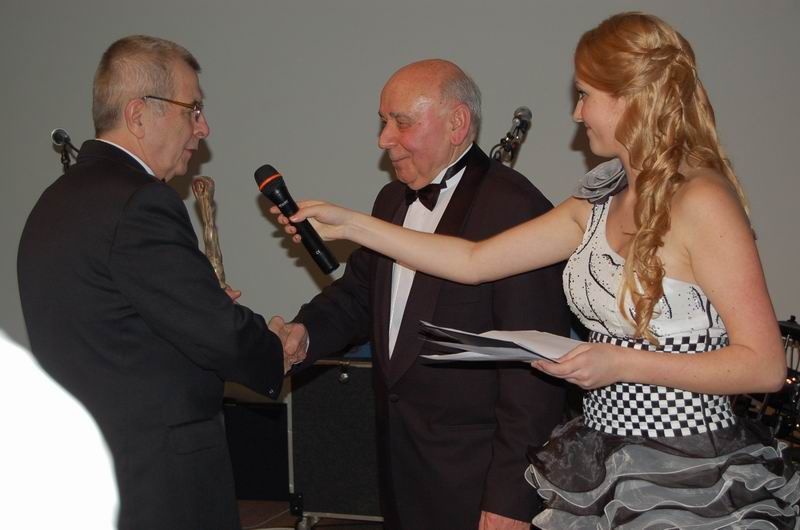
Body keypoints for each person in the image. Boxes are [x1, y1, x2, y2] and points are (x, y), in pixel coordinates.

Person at [277, 13, 800, 528]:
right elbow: (473, 261)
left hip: (686, 467)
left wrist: (621, 363)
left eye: (586, 95)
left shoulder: (701, 199)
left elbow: (764, 365)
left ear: (632, 98)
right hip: (604, 457)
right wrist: (351, 223)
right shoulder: (599, 199)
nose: (577, 112)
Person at [270, 59, 569, 529]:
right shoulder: (391, 200)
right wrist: (303, 334)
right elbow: (359, 295)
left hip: (478, 481)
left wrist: (511, 496)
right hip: (401, 470)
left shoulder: (516, 209)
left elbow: (534, 373)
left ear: (457, 124)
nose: (384, 139)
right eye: (383, 121)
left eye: (402, 122)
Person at [17, 35, 291, 530]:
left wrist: (199, 299)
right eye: (193, 109)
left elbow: (125, 326)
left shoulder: (55, 201)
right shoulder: (140, 201)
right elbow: (216, 331)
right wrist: (274, 349)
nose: (203, 128)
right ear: (139, 114)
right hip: (157, 479)